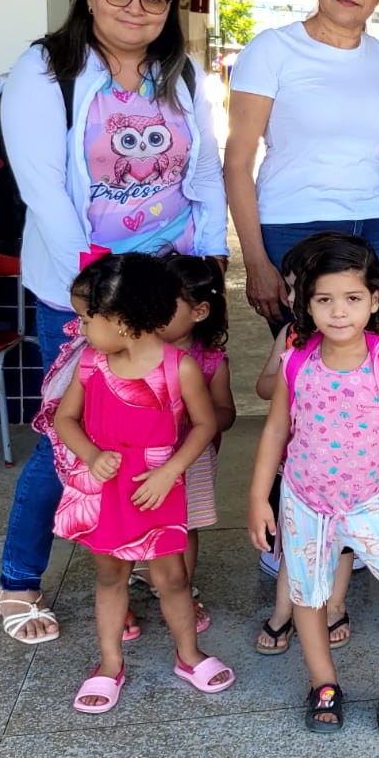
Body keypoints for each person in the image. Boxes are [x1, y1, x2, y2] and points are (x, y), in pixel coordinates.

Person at [0, 0, 227, 645]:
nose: (136, 7)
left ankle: (145, 553)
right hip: (87, 293)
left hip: (169, 287)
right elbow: (43, 188)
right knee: (71, 432)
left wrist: (208, 260)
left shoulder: (179, 72)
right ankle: (18, 578)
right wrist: (96, 293)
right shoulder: (46, 70)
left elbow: (205, 170)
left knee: (160, 427)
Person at [247, 235, 379, 735]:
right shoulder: (296, 359)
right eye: (324, 299)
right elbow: (276, 430)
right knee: (308, 596)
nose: (338, 311)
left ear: (375, 299)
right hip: (304, 501)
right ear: (305, 304)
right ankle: (323, 682)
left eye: (352, 298)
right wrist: (258, 498)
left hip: (369, 503)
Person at [50, 254, 231, 712]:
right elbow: (65, 418)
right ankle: (110, 663)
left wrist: (172, 470)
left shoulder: (179, 367)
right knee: (110, 576)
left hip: (156, 485)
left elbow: (205, 424)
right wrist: (91, 456)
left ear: (123, 322)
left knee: (173, 578)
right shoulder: (90, 363)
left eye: (87, 319)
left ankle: (189, 656)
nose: (81, 329)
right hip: (104, 487)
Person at [224, 0, 379, 331]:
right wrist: (254, 260)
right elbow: (236, 164)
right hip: (293, 226)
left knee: (358, 354)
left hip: (373, 227)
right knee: (299, 354)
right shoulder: (271, 49)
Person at [251, 235, 355, 655]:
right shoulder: (291, 336)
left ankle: (335, 605)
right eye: (291, 288)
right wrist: (294, 370)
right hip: (295, 465)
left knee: (342, 543)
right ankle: (284, 611)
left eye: (302, 288)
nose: (293, 298)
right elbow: (262, 386)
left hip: (348, 468)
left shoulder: (358, 342)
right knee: (293, 541)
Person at [159, 254, 237, 631]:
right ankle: (122, 593)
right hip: (142, 454)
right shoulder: (137, 351)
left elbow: (227, 413)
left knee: (184, 526)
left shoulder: (210, 361)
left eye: (163, 306)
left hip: (193, 459)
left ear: (200, 311)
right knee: (132, 522)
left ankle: (183, 592)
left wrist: (197, 417)